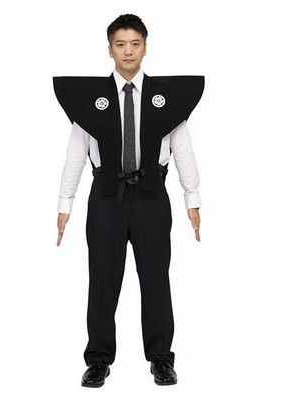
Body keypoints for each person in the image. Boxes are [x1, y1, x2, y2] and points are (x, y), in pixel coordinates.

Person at [53, 14, 204, 387]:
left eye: (135, 43)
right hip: (106, 196)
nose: (128, 51)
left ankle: (161, 357)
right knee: (102, 278)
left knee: (155, 277)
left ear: (145, 48)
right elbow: (76, 154)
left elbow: (183, 150)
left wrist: (192, 197)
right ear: (109, 50)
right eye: (120, 44)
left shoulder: (166, 100)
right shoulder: (91, 101)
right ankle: (98, 359)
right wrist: (65, 203)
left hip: (152, 194)